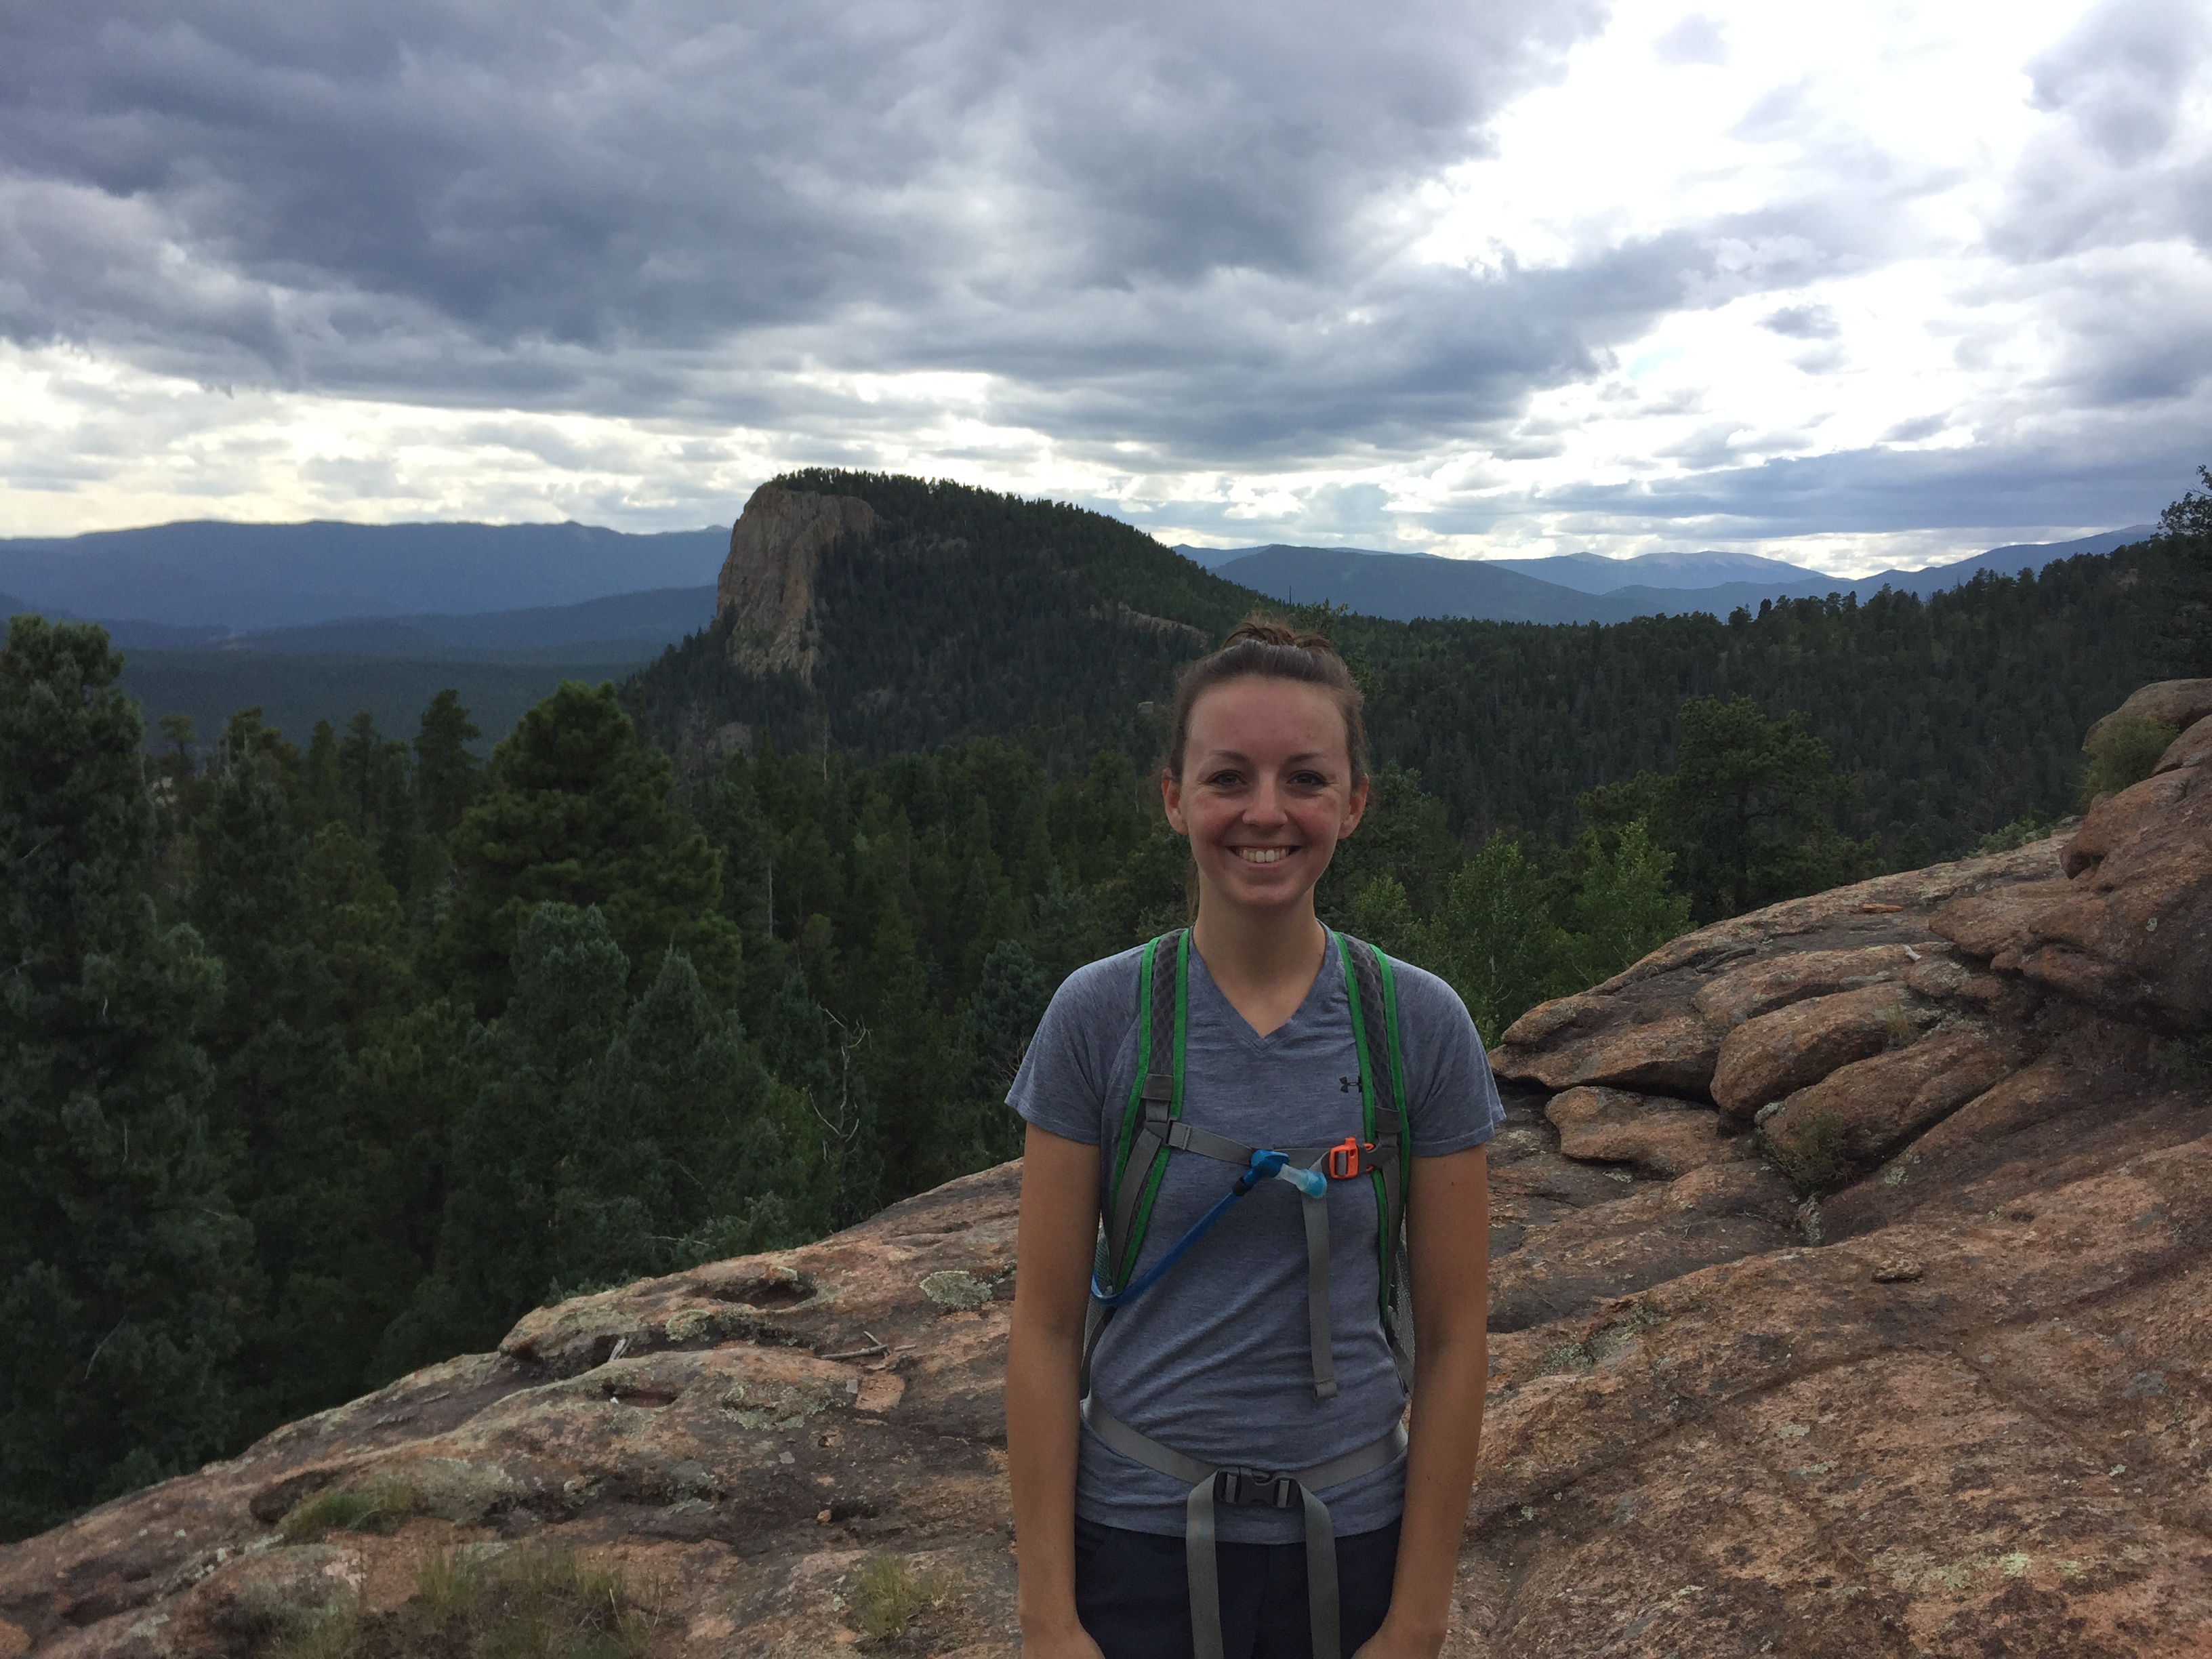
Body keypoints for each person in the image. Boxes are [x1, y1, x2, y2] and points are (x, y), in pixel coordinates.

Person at [1004, 617, 1501, 1659]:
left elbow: (1456, 1341)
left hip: (1353, 1550)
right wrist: (1049, 1621)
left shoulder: (1420, 1027)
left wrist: (1416, 1622)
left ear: (1354, 803)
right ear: (1174, 798)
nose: (1266, 812)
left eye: (1305, 779)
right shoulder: (1098, 1018)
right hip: (1133, 1553)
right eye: (1228, 777)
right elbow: (1045, 1330)